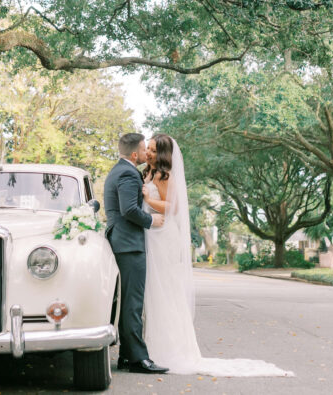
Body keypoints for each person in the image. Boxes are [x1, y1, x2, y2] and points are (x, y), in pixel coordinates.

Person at [141, 133, 294, 377]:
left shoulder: (162, 175)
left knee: (164, 290)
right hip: (152, 234)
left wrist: (148, 199)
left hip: (163, 236)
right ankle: (151, 344)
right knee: (154, 290)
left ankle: (168, 349)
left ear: (162, 155)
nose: (148, 153)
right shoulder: (147, 172)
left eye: (152, 150)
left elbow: (174, 208)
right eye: (147, 148)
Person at [102, 132, 168, 374]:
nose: (146, 153)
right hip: (129, 245)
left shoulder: (117, 171)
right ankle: (139, 359)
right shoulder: (128, 173)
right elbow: (129, 209)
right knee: (132, 303)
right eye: (143, 149)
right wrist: (151, 220)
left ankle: (128, 356)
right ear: (134, 154)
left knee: (128, 302)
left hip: (121, 242)